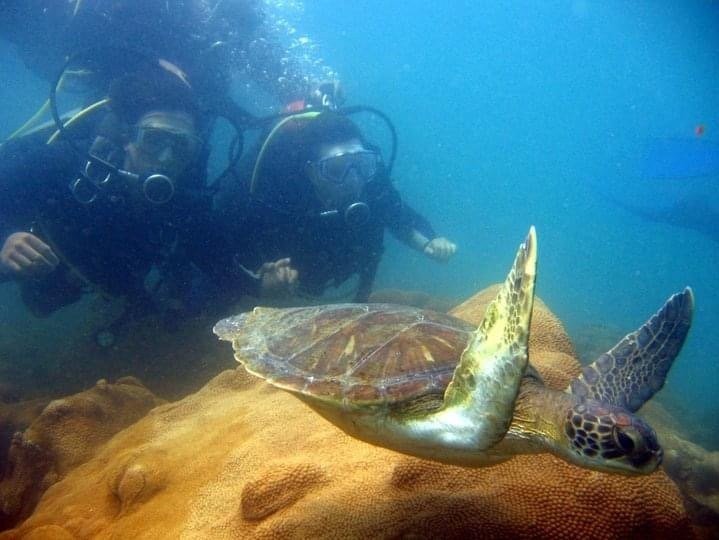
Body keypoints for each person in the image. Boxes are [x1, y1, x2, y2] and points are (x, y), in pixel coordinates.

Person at [0, 60, 286, 323]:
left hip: (80, 283)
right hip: (30, 261)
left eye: (181, 147)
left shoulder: (183, 203)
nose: (165, 158)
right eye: (153, 139)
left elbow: (215, 260)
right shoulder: (66, 163)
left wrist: (261, 284)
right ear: (128, 137)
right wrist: (6, 238)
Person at [216, 110, 457, 303]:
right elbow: (220, 250)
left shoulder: (372, 185)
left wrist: (430, 242)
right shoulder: (277, 199)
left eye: (361, 164)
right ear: (311, 172)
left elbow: (397, 216)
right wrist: (258, 284)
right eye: (336, 169)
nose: (353, 180)